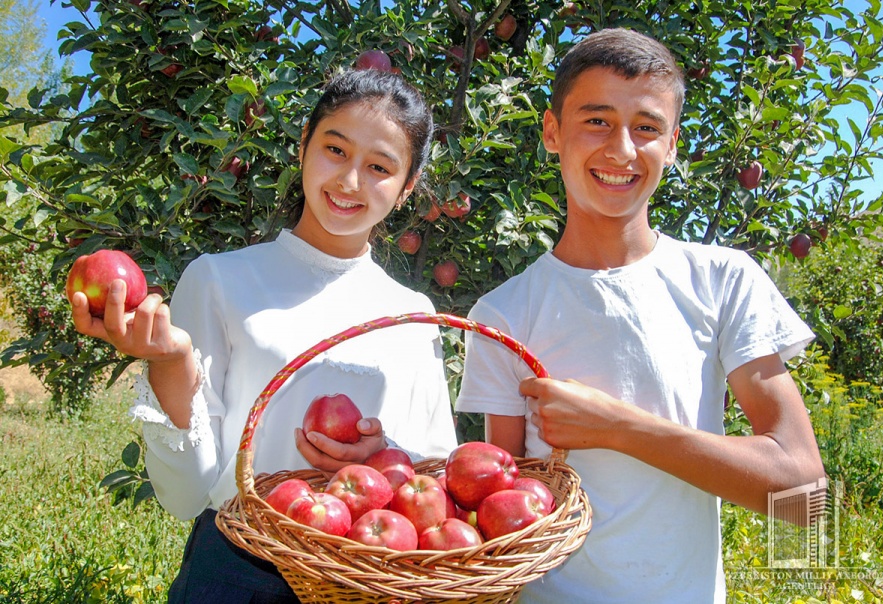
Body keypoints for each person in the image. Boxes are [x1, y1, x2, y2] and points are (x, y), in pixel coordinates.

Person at [455, 28, 825, 604]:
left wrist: (620, 428)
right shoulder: (502, 314)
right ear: (552, 133)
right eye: (596, 120)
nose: (622, 150)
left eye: (647, 127)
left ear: (672, 144)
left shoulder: (724, 281)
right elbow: (503, 511)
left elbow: (802, 494)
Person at [70, 69, 458, 602]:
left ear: (408, 185)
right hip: (237, 571)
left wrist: (380, 458)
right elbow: (186, 495)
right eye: (335, 150)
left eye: (379, 167)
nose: (349, 182)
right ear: (304, 145)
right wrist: (170, 362)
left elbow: (436, 477)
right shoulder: (219, 278)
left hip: (366, 578)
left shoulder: (413, 312)